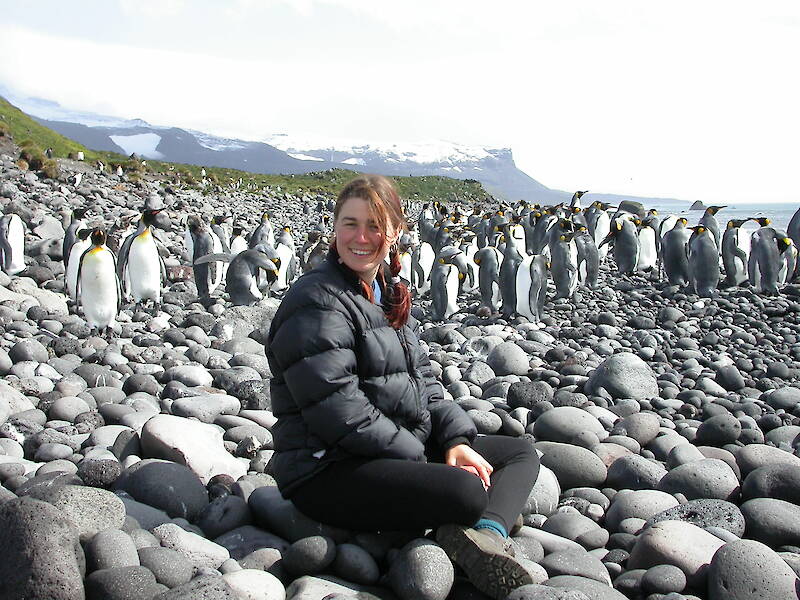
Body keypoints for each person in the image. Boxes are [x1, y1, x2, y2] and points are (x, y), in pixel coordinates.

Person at [266, 175, 541, 599]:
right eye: (350, 223)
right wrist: (422, 459)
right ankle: (468, 523)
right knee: (467, 489)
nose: (361, 237)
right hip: (325, 470)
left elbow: (424, 382)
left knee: (519, 451)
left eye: (374, 225)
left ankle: (483, 537)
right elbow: (338, 411)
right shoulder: (316, 301)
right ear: (333, 227)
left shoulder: (387, 293)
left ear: (395, 231)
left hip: (385, 446)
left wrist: (453, 439)